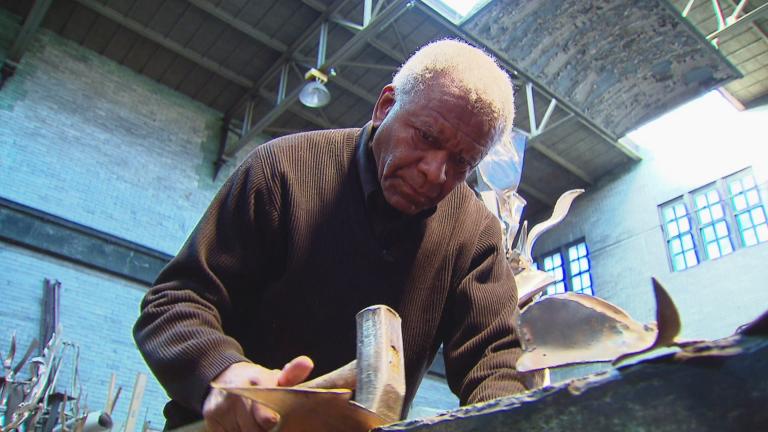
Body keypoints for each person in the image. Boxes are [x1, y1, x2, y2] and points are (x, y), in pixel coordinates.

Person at [133, 39, 542, 432]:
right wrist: (224, 372)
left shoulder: (474, 235)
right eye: (427, 138)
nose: (435, 173)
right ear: (385, 106)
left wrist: (504, 419)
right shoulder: (281, 172)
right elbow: (175, 302)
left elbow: (497, 360)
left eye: (462, 162)